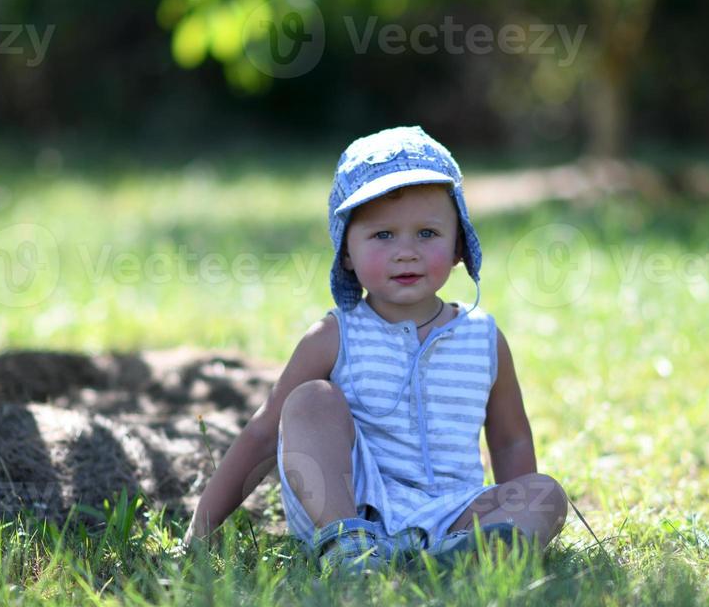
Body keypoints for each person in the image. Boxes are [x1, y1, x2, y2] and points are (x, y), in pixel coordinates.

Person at [183, 125, 568, 571]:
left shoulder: (483, 339)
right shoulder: (335, 336)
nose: (407, 252)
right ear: (346, 251)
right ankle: (350, 549)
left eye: (427, 233)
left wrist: (513, 513)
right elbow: (264, 433)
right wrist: (199, 532)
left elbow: (511, 438)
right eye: (383, 235)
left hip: (452, 514)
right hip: (352, 506)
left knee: (546, 493)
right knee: (309, 400)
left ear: (459, 243)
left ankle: (463, 554)